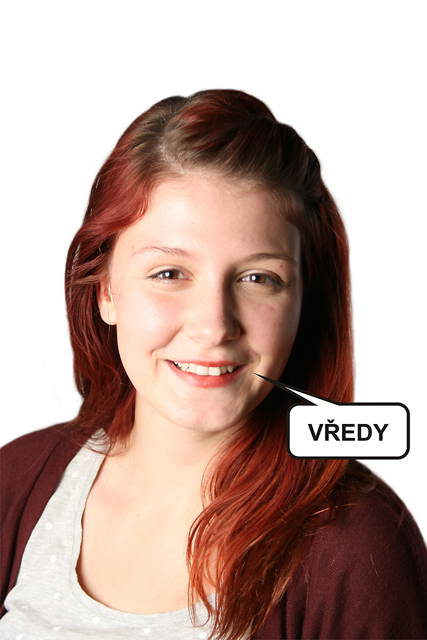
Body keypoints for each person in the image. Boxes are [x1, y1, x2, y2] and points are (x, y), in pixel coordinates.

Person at [1, 89, 426, 640]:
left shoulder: (360, 550)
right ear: (105, 291)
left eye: (258, 278)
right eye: (169, 273)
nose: (213, 326)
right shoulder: (17, 482)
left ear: (303, 303)